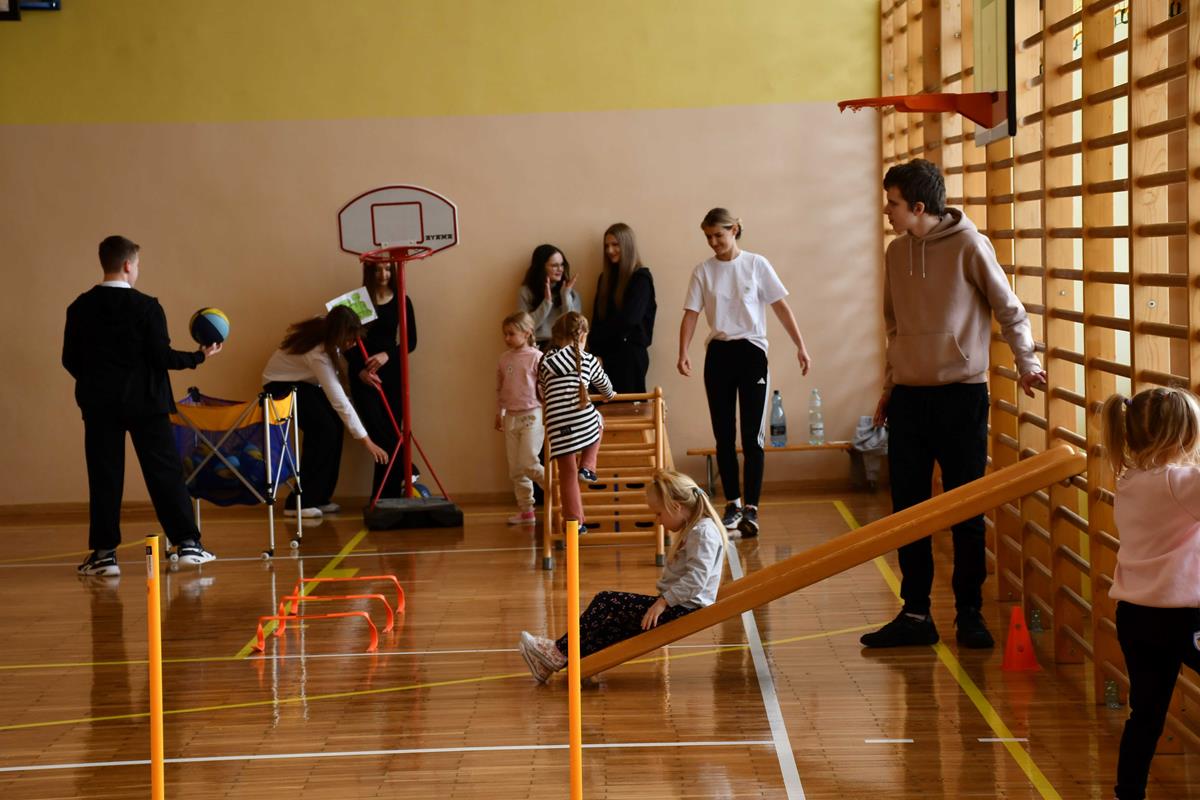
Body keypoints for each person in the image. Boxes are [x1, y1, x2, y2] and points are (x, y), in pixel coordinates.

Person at [860, 158, 1047, 650]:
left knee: (966, 508)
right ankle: (915, 613)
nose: (887, 211)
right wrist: (890, 387)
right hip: (909, 400)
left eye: (893, 203)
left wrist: (1027, 363)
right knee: (908, 511)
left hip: (962, 396)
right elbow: (895, 327)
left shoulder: (969, 245)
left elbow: (1010, 310)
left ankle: (969, 612)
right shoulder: (896, 252)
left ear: (919, 207)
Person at [64, 235, 222, 576]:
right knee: (164, 472)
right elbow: (161, 357)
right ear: (127, 265)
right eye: (137, 265)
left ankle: (104, 555)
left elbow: (70, 359)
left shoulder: (79, 307)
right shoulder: (148, 306)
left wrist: (97, 382)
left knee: (104, 476)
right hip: (148, 403)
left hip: (100, 405)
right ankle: (187, 545)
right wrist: (199, 356)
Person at [517, 468, 728, 682]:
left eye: (659, 513)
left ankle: (557, 652)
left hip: (682, 608)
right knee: (612, 625)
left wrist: (663, 602)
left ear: (676, 506)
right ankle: (559, 662)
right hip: (679, 605)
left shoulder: (703, 532)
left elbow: (696, 579)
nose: (658, 521)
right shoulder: (697, 529)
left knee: (606, 601)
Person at [677, 208, 812, 539]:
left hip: (751, 353)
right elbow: (691, 313)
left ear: (734, 230)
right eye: (708, 237)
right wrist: (683, 351)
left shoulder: (756, 264)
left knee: (752, 437)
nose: (713, 242)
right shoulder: (703, 271)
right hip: (719, 355)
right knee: (723, 435)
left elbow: (780, 307)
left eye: (718, 235)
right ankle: (733, 504)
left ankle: (752, 508)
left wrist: (800, 345)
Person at [1098, 387, 1200, 800]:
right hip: (1182, 617)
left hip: (1135, 615)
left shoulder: (1128, 479)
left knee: (1145, 715)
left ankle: (1129, 792)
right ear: (1182, 436)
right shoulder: (1180, 482)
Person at [262, 305, 389, 518]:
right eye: (350, 338)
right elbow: (339, 401)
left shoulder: (326, 324)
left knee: (334, 426)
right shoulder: (318, 353)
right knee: (323, 430)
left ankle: (320, 497)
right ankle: (299, 503)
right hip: (278, 385)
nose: (353, 343)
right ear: (338, 335)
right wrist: (367, 442)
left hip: (303, 383)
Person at [344, 259, 418, 501]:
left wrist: (387, 355)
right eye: (377, 269)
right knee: (381, 435)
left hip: (393, 375)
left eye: (387, 269)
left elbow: (411, 341)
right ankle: (408, 470)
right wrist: (360, 372)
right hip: (364, 377)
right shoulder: (357, 301)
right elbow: (345, 343)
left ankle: (384, 498)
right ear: (369, 272)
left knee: (393, 432)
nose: (383, 274)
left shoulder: (403, 300)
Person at [539, 312, 615, 535]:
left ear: (556, 336)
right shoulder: (588, 359)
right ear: (582, 335)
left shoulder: (545, 361)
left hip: (555, 425)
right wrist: (610, 395)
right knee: (598, 420)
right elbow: (605, 387)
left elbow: (542, 389)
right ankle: (588, 466)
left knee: (567, 474)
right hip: (581, 419)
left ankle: (574, 521)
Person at [590, 222, 656, 393]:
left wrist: (601, 337)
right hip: (602, 357)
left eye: (615, 245)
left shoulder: (640, 278)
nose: (610, 250)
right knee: (601, 407)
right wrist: (595, 353)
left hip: (629, 357)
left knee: (629, 406)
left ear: (627, 246)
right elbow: (596, 319)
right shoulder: (604, 279)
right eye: (607, 246)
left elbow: (629, 319)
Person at [495, 311, 545, 525]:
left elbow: (544, 388)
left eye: (511, 334)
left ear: (527, 333)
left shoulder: (536, 357)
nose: (507, 338)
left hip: (532, 416)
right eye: (505, 334)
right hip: (511, 417)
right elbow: (500, 389)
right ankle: (526, 511)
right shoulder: (504, 358)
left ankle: (558, 487)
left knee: (529, 463)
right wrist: (500, 412)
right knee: (516, 469)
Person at [518, 244, 581, 350]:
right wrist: (547, 302)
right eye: (554, 265)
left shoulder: (572, 294)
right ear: (541, 268)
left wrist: (565, 296)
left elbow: (574, 328)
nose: (560, 269)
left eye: (562, 265)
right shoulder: (526, 291)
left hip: (564, 347)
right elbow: (524, 328)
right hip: (536, 347)